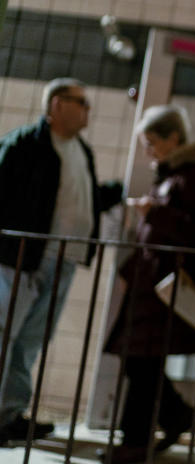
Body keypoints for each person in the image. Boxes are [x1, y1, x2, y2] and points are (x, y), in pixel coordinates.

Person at [0, 78, 122, 446]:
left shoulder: (80, 150)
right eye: (80, 102)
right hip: (22, 259)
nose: (88, 109)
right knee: (4, 336)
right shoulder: (25, 145)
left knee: (30, 341)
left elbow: (80, 199)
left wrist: (119, 193)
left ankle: (9, 414)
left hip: (63, 260)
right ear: (56, 105)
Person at [102, 105, 195, 464]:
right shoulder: (175, 173)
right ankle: (169, 418)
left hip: (167, 284)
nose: (148, 151)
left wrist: (155, 213)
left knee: (142, 362)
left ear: (174, 138)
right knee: (140, 362)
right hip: (152, 281)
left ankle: (136, 441)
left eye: (152, 142)